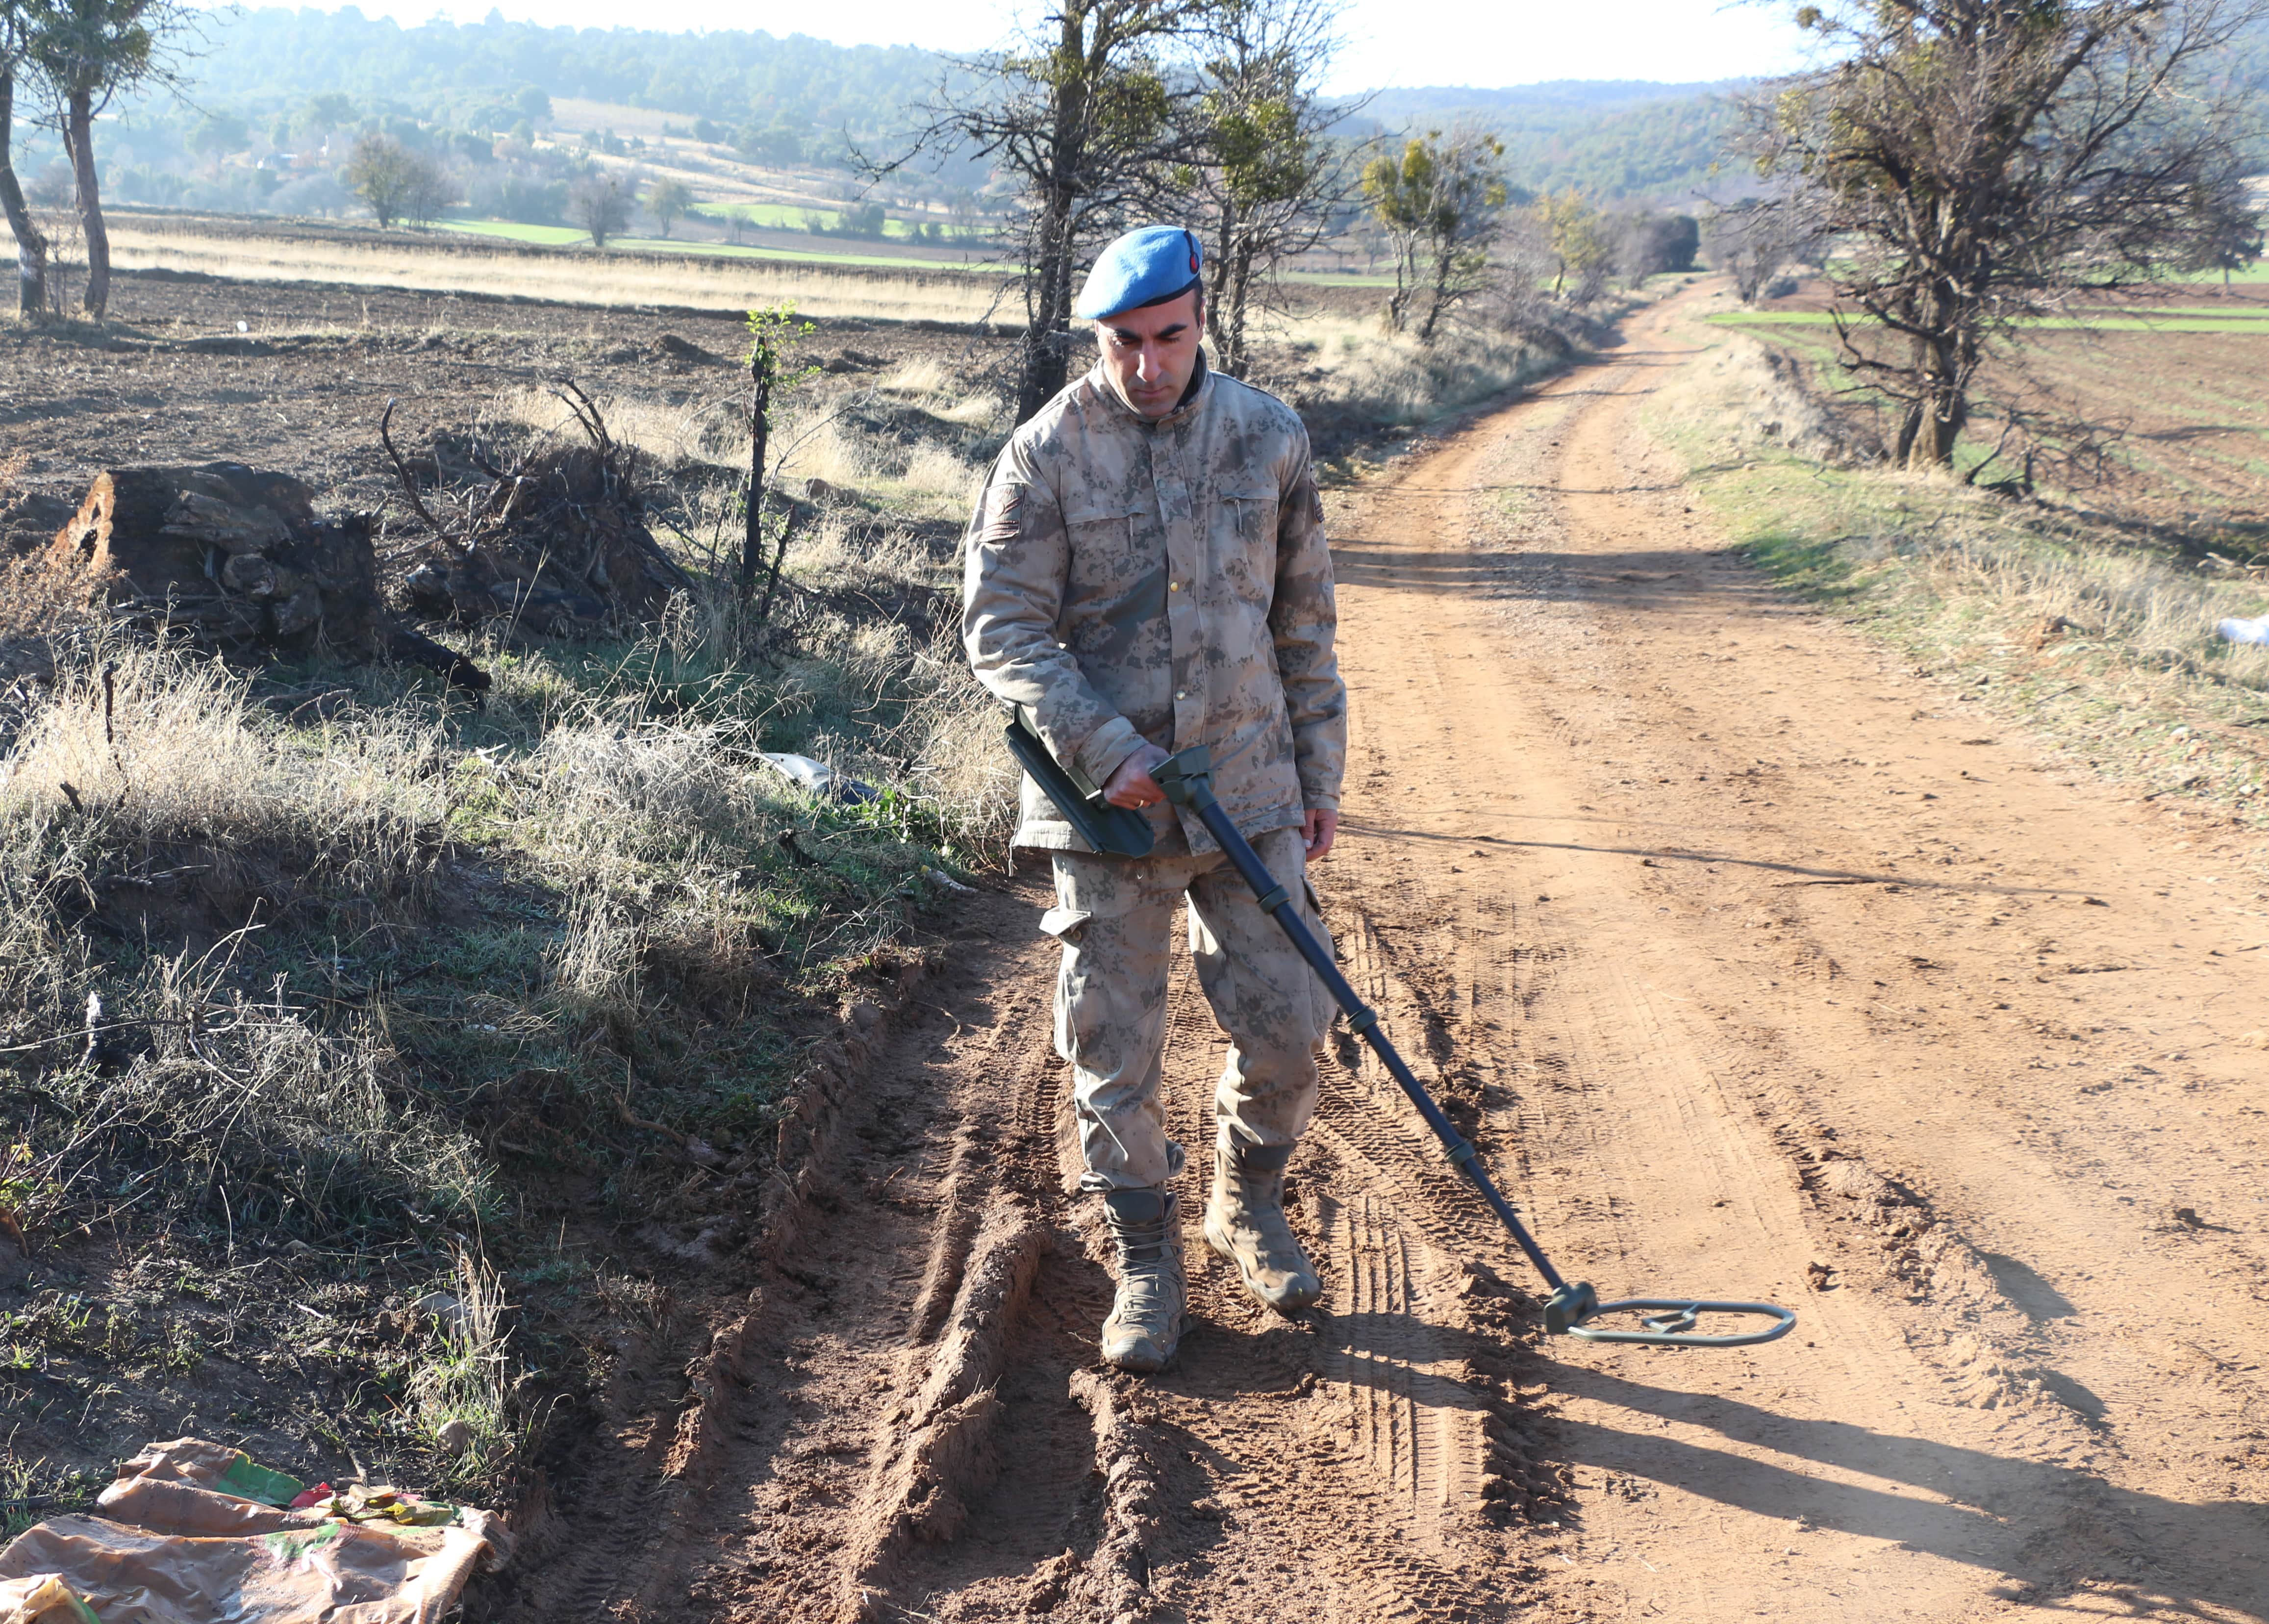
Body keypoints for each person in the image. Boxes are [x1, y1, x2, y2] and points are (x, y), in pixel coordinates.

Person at [961, 224, 1347, 1372]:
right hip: (1108, 807)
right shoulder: (1045, 453)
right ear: (1098, 337)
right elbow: (1003, 627)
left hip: (1251, 790)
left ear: (1200, 320)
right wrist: (1101, 744)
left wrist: (1318, 775)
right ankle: (1145, 1259)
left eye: (1167, 338)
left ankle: (1247, 1202)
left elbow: (1304, 624)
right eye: (1122, 342)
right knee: (1111, 1049)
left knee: (1292, 1021)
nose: (1146, 364)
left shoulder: (1269, 437)